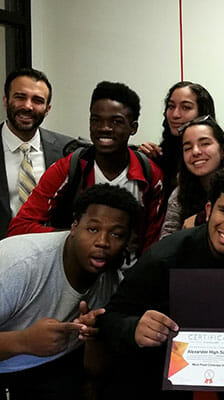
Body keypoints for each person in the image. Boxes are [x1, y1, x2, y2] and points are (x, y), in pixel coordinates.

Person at [96, 163, 224, 399]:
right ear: (208, 210)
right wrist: (133, 328)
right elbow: (110, 319)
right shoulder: (165, 256)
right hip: (160, 382)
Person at [0, 183, 140, 400]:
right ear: (74, 227)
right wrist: (23, 341)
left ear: (128, 241)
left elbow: (94, 373)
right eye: (93, 229)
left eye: (116, 235)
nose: (102, 242)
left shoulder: (113, 283)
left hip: (53, 370)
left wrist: (94, 337)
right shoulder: (18, 264)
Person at [7, 81, 164, 257]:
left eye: (116, 121)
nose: (104, 128)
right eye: (96, 120)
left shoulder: (149, 173)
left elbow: (153, 241)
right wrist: (75, 235)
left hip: (130, 276)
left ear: (133, 127)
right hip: (75, 276)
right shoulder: (68, 168)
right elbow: (19, 228)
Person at [139, 81, 224, 201]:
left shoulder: (219, 150)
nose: (175, 114)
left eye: (186, 107)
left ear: (202, 113)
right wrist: (146, 158)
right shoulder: (165, 150)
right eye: (171, 106)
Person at [0, 67, 72, 238]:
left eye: (37, 100)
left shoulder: (68, 150)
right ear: (5, 101)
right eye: (20, 97)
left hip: (51, 253)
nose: (27, 106)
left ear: (47, 109)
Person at [160, 115, 224, 238]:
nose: (195, 152)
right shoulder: (179, 194)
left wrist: (201, 219)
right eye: (188, 148)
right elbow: (166, 240)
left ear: (222, 150)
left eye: (205, 143)